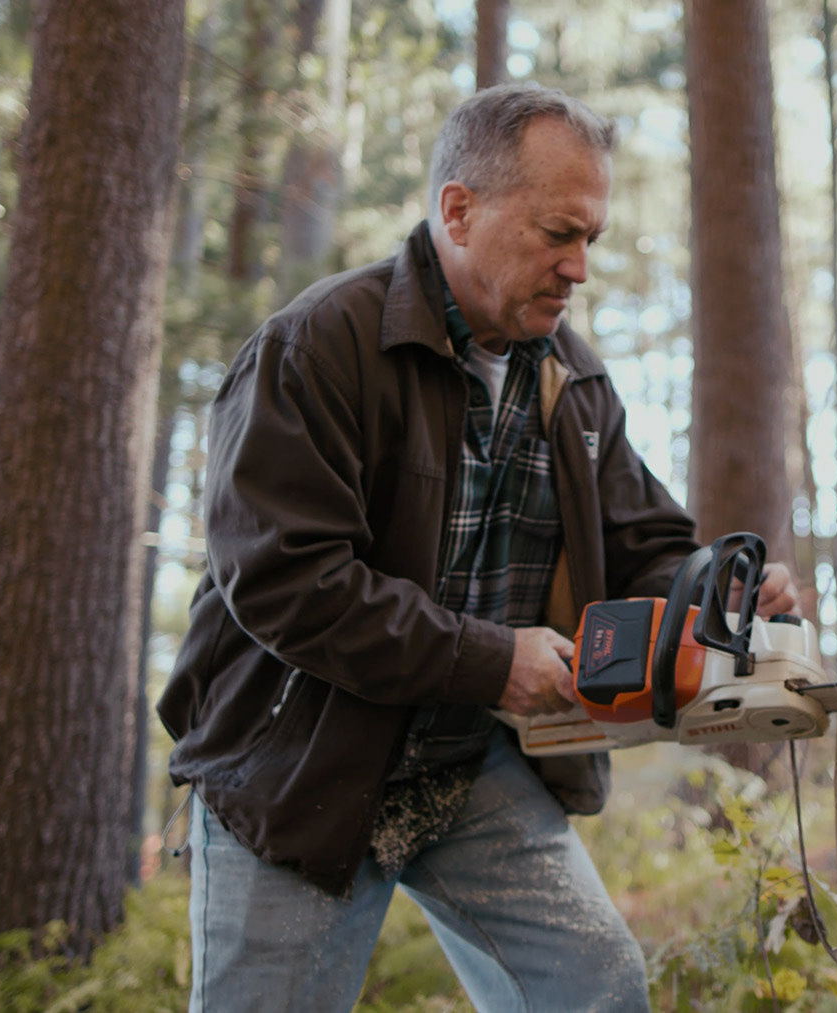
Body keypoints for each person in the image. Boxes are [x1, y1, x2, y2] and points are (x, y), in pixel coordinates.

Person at [158, 83, 798, 1012]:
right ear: (458, 209)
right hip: (302, 769)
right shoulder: (317, 349)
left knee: (598, 987)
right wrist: (490, 659)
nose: (579, 268)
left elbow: (640, 543)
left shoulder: (574, 380)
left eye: (592, 241)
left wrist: (717, 595)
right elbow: (288, 583)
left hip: (465, 761)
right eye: (557, 233)